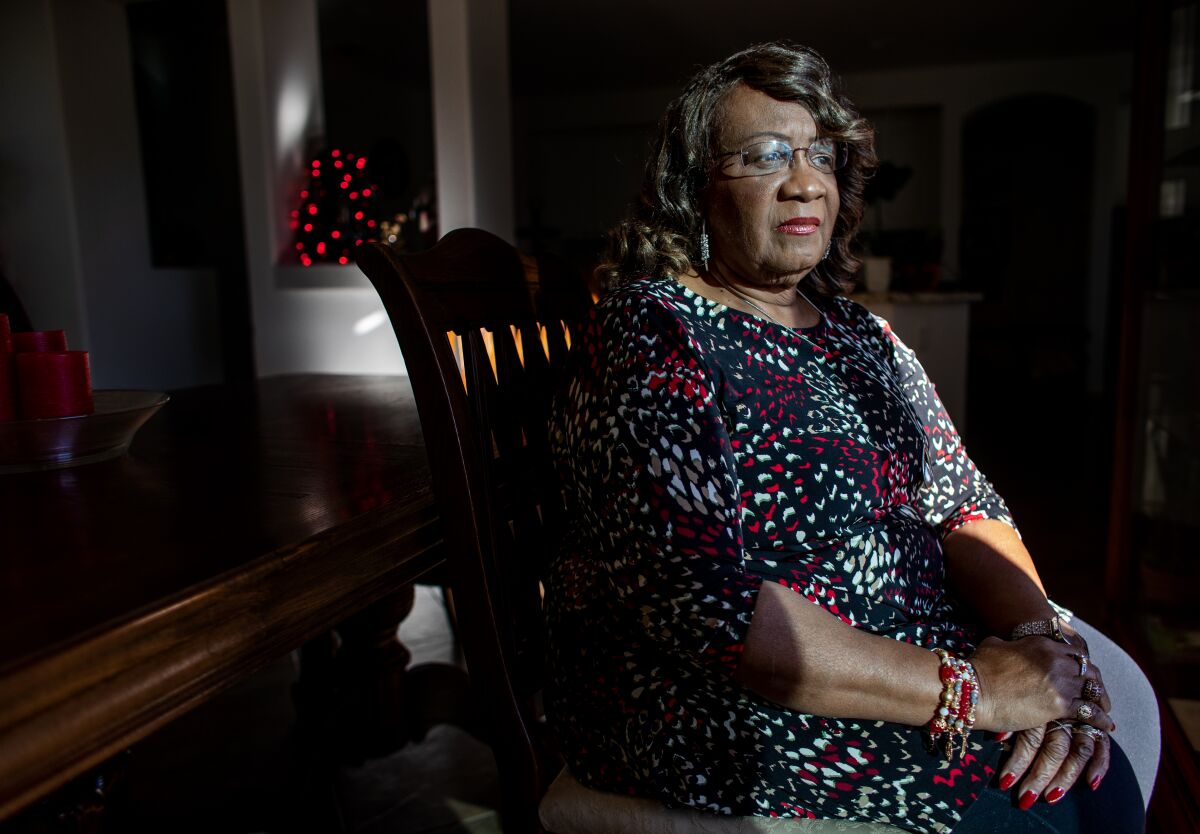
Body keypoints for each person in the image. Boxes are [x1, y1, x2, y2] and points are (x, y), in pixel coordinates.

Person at [545, 42, 1149, 833]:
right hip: (743, 706)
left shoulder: (860, 334)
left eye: (819, 154)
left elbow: (963, 503)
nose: (804, 180)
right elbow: (707, 605)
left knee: (1106, 768)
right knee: (1060, 816)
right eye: (763, 155)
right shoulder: (656, 330)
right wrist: (979, 690)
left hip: (920, 652)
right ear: (693, 188)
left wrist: (1038, 642)